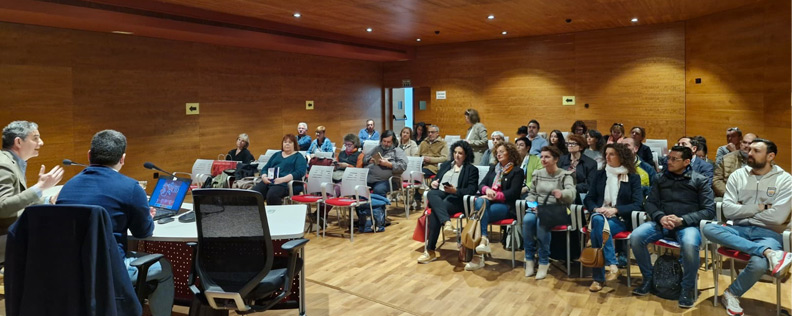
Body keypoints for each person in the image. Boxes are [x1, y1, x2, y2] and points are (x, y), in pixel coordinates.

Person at [56, 130, 173, 316]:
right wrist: (147, 216)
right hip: (110, 269)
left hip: (70, 269)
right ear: (123, 159)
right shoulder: (130, 187)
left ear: (89, 155)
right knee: (164, 268)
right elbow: (143, 232)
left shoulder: (68, 186)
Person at [702, 138, 792, 315]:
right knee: (708, 228)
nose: (749, 153)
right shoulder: (738, 175)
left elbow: (777, 217)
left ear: (770, 156)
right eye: (749, 149)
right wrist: (760, 207)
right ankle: (767, 252)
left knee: (759, 264)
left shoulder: (786, 180)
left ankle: (731, 293)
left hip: (769, 233)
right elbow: (728, 210)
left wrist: (742, 210)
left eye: (756, 151)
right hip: (738, 229)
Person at [630, 145, 715, 308]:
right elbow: (650, 203)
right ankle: (649, 279)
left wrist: (682, 220)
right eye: (668, 158)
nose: (669, 162)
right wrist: (660, 217)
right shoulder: (660, 178)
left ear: (686, 161)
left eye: (674, 159)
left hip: (687, 225)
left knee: (690, 245)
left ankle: (687, 288)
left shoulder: (699, 180)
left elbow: (709, 210)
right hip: (662, 222)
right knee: (636, 237)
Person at [583, 143, 643, 292]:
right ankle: (613, 265)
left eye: (612, 154)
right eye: (606, 154)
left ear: (621, 157)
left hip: (619, 220)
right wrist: (597, 209)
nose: (607, 157)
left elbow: (637, 204)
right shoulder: (600, 174)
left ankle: (599, 278)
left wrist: (615, 210)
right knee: (598, 220)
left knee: (598, 228)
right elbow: (588, 199)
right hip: (599, 216)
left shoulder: (632, 177)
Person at [0, 121, 63, 261]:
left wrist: (48, 200)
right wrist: (39, 188)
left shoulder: (13, 162)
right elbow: (2, 207)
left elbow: (17, 201)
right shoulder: (4, 165)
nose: (41, 142)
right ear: (18, 142)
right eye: (35, 138)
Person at [417, 141, 479, 264]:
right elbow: (437, 178)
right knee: (430, 193)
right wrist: (434, 182)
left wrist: (456, 190)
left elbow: (472, 190)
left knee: (435, 212)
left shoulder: (471, 169)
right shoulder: (446, 165)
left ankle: (430, 251)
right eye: (455, 152)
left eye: (460, 153)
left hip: (456, 198)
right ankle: (447, 222)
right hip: (440, 193)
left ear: (466, 155)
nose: (457, 155)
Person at [468, 142, 524, 271]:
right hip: (488, 204)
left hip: (506, 206)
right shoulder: (494, 168)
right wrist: (487, 190)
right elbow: (481, 185)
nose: (498, 154)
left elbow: (513, 193)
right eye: (497, 152)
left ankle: (476, 257)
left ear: (510, 153)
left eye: (502, 151)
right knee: (480, 205)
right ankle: (483, 240)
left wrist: (495, 196)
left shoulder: (517, 171)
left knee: (476, 216)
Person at [523, 146, 576, 279]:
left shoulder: (565, 175)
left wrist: (562, 193)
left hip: (556, 210)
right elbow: (531, 194)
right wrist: (533, 205)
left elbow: (572, 193)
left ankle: (543, 261)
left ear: (556, 159)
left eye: (547, 157)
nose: (543, 159)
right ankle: (529, 259)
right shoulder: (538, 174)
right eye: (542, 157)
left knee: (542, 222)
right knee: (527, 220)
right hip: (538, 207)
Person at [253, 134, 308, 205]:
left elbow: (299, 172)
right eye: (285, 142)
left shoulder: (298, 157)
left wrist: (282, 179)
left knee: (272, 195)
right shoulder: (276, 155)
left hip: (286, 183)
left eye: (290, 142)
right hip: (270, 181)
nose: (287, 144)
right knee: (255, 194)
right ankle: (257, 215)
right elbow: (265, 168)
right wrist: (264, 177)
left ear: (294, 144)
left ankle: (274, 215)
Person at [364, 130, 407, 196]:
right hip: (370, 178)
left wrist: (389, 164)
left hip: (388, 180)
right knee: (358, 187)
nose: (386, 144)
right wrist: (369, 160)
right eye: (384, 141)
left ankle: (379, 206)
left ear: (393, 142)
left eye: (388, 142)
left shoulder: (398, 151)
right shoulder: (377, 148)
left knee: (379, 189)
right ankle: (364, 206)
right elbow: (365, 158)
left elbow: (403, 166)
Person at [714, 133, 757, 197]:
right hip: (730, 195)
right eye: (744, 142)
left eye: (750, 143)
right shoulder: (727, 158)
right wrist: (730, 195)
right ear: (740, 143)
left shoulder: (763, 160)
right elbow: (716, 180)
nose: (746, 146)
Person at [558, 134, 596, 204]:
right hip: (561, 191)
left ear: (581, 147)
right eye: (568, 144)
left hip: (578, 193)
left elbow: (589, 184)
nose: (570, 146)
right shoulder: (562, 159)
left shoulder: (591, 163)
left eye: (573, 144)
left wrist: (572, 188)